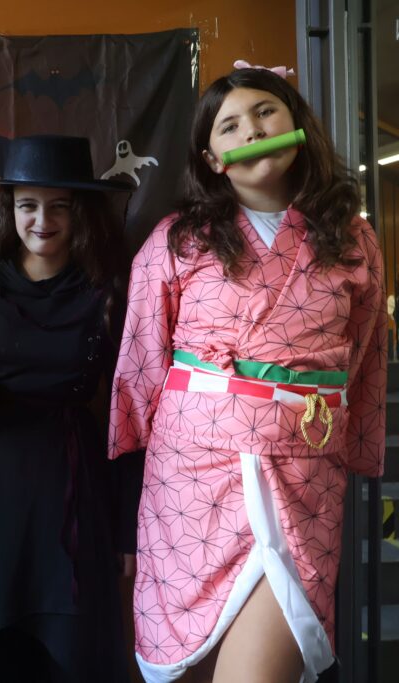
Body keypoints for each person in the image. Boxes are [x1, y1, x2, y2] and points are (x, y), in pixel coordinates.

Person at [108, 67, 386, 683]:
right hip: (190, 479)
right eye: (230, 125)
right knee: (188, 667)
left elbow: (365, 352)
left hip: (301, 471)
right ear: (213, 159)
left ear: (297, 127)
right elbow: (141, 359)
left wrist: (355, 442)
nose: (253, 130)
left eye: (265, 113)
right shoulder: (177, 241)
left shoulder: (354, 239)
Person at [0, 135, 140, 682]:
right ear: (9, 210)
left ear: (81, 212)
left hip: (74, 487)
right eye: (28, 204)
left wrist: (128, 527)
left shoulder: (109, 287)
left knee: (71, 652)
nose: (43, 220)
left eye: (60, 206)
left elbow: (130, 411)